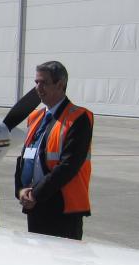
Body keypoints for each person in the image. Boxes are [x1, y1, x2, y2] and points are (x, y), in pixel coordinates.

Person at [15, 61, 93, 240]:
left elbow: (69, 165)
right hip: (35, 205)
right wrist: (20, 190)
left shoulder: (78, 117)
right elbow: (26, 158)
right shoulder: (36, 117)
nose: (38, 88)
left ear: (60, 84)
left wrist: (35, 194)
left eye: (43, 83)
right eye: (36, 82)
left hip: (62, 208)